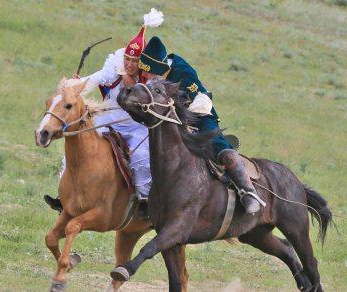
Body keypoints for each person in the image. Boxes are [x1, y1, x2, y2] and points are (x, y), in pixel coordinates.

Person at [44, 9, 165, 218]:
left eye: (134, 61)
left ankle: (144, 201)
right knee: (76, 146)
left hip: (136, 126)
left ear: (142, 62)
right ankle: (65, 196)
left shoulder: (149, 79)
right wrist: (75, 86)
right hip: (107, 120)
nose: (129, 64)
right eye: (127, 58)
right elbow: (95, 79)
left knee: (142, 158)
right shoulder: (114, 69)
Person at [137, 36, 265, 214]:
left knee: (219, 148)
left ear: (158, 69)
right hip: (172, 118)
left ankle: (248, 192)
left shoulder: (183, 72)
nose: (144, 76)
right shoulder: (157, 72)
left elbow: (201, 100)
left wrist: (186, 121)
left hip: (200, 115)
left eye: (148, 73)